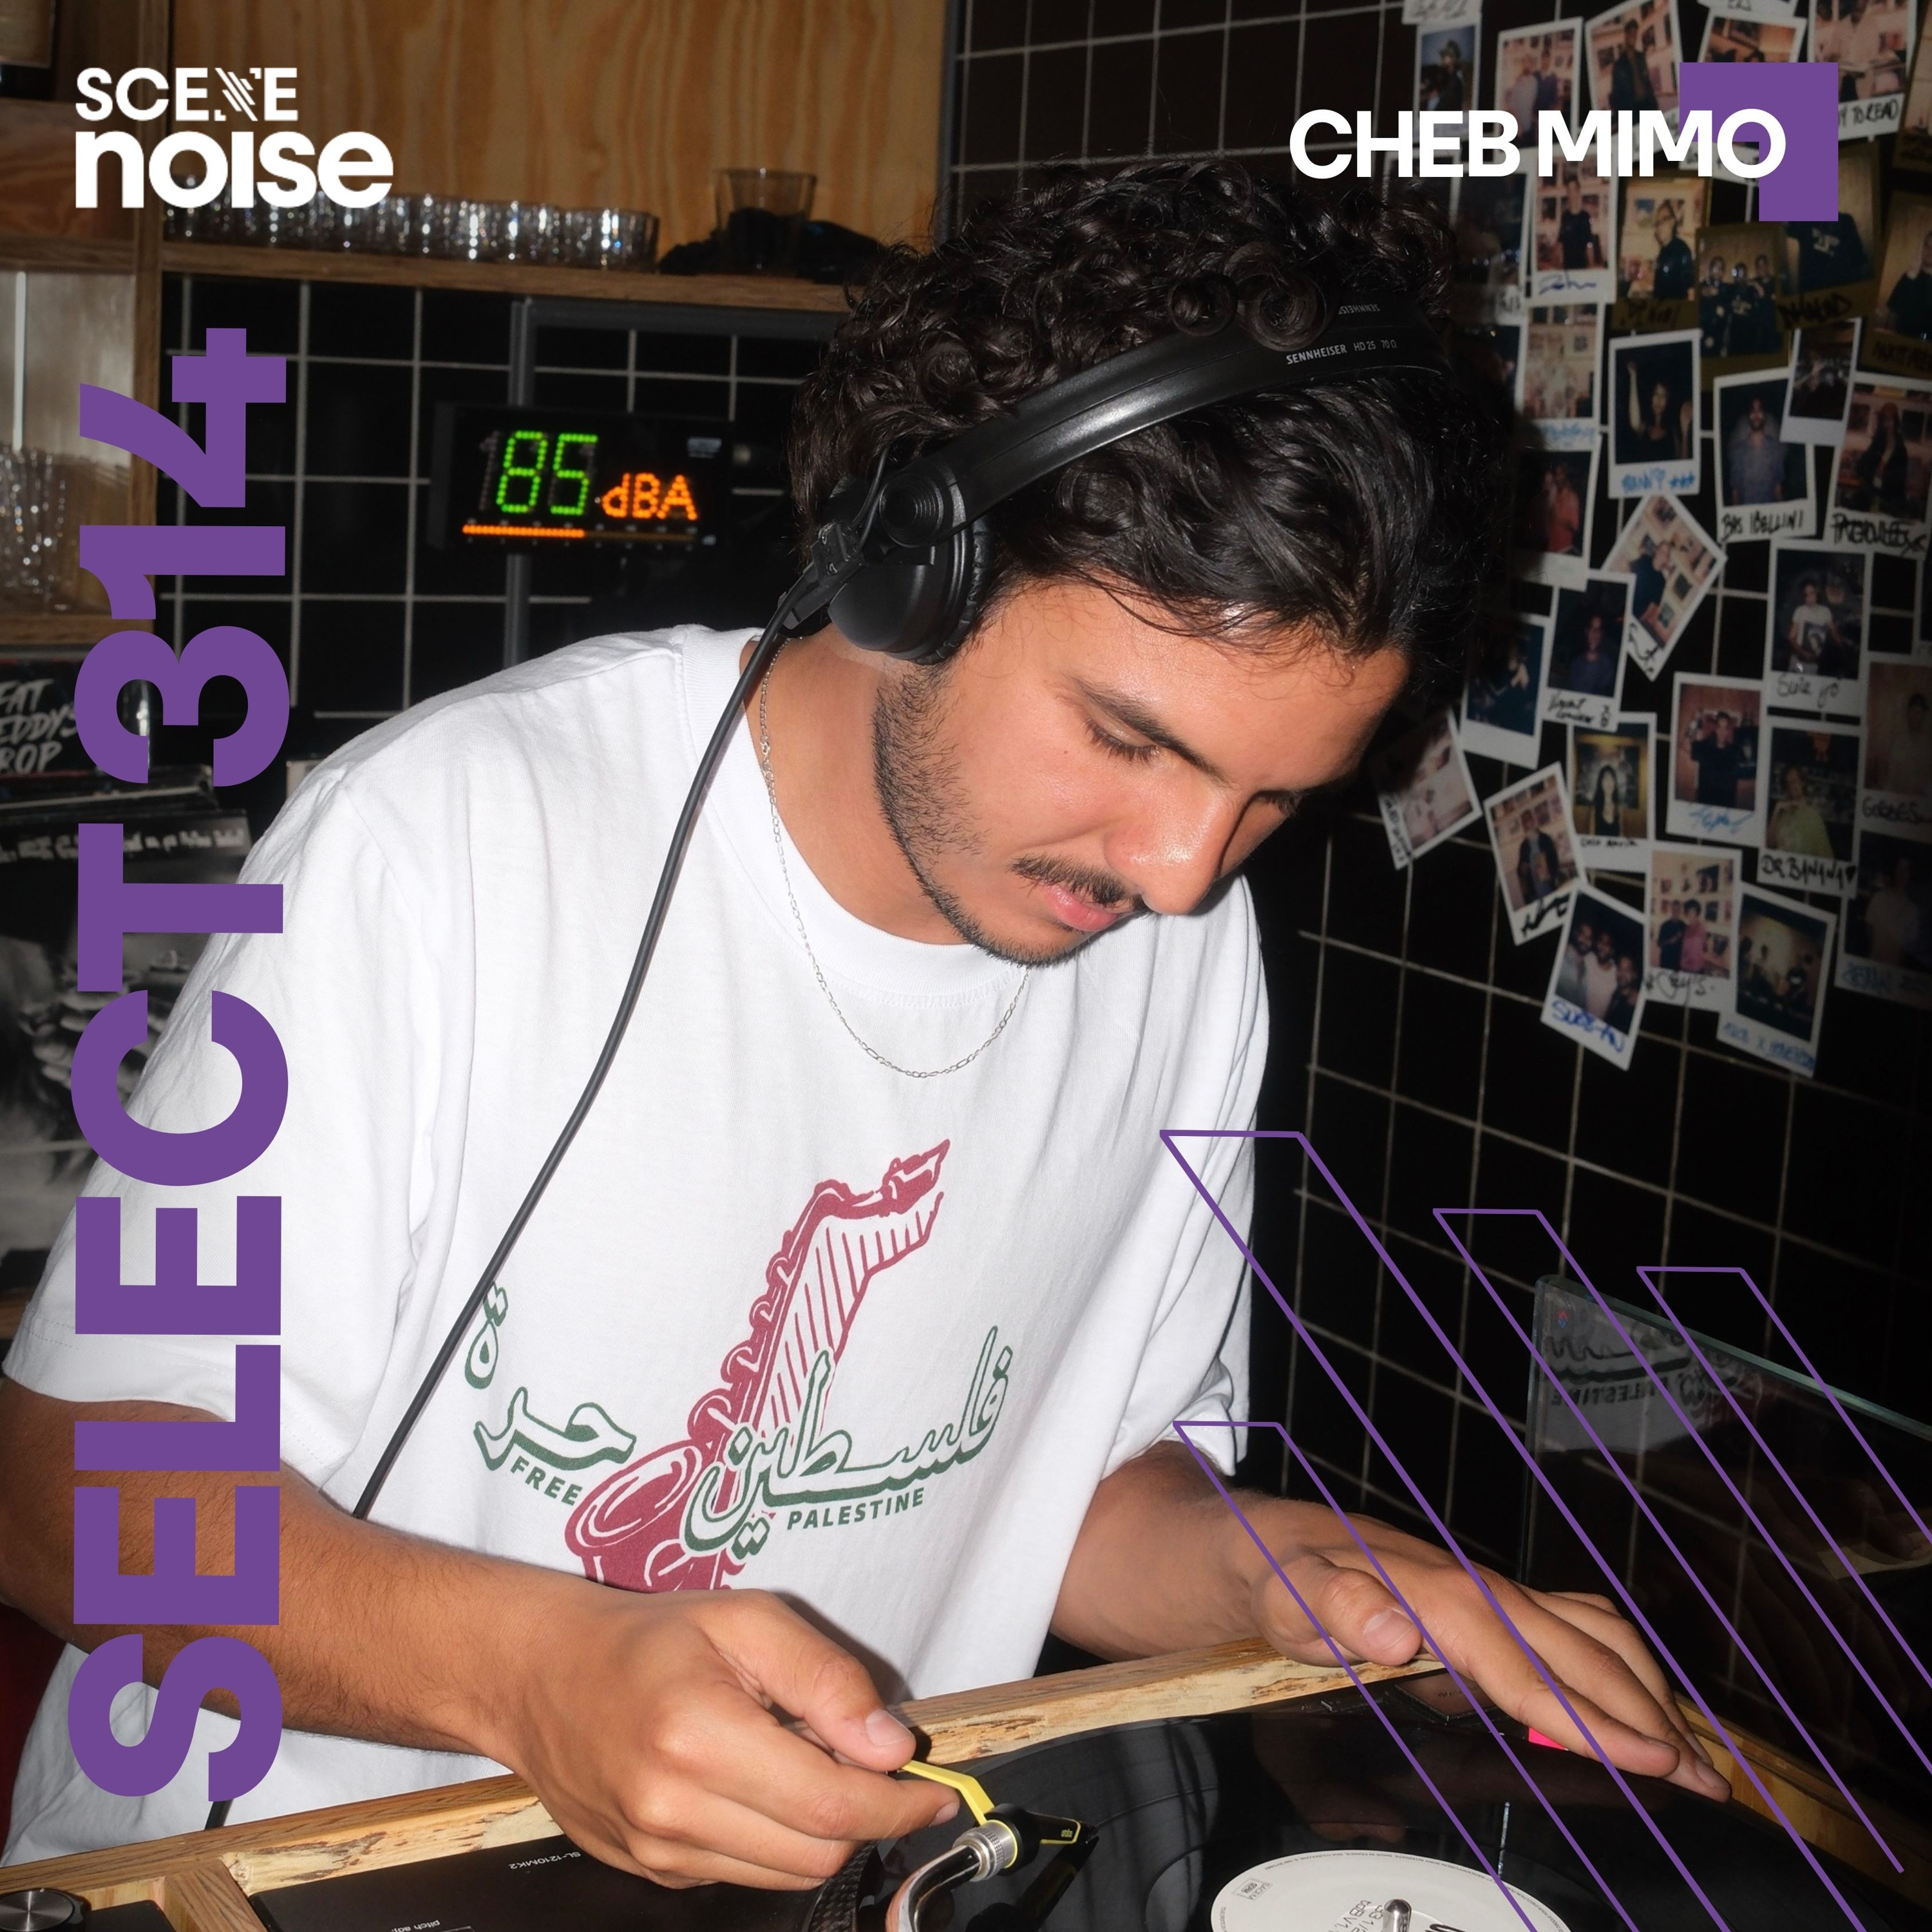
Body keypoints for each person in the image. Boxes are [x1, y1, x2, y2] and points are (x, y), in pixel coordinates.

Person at [0, 164, 1724, 1871]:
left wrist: (1298, 1574)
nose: (1184, 868)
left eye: (1271, 798)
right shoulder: (436, 845)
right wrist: (533, 1678)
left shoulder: (1184, 945)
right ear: (915, 565)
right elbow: (62, 1507)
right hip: (280, 1884)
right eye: (1130, 741)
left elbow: (1069, 1488)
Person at [1727, 391, 1789, 506]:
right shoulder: (1738, 451)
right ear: (1748, 416)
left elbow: (1778, 487)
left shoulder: (1775, 448)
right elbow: (1735, 491)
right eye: (1753, 410)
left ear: (1765, 415)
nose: (1756, 414)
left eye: (1760, 410)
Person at [1625, 359, 1693, 463]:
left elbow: (1683, 463)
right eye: (1656, 394)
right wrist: (1633, 377)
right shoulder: (1644, 428)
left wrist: (1685, 430)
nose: (1659, 399)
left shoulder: (1673, 432)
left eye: (1664, 395)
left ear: (1669, 400)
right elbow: (1634, 422)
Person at [1851, 399, 1910, 515]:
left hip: (1889, 500)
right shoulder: (1877, 442)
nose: (1888, 424)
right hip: (1869, 495)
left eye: (1891, 419)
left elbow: (1900, 478)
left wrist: (1881, 475)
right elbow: (1861, 466)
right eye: (1885, 419)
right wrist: (1866, 480)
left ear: (1896, 422)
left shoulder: (1900, 449)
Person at [1864, 852, 1922, 964]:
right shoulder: (1879, 898)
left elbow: (1910, 944)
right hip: (1873, 964)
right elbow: (1869, 930)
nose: (1903, 874)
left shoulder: (1912, 910)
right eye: (1900, 868)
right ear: (1894, 871)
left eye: (1906, 870)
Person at [1768, 760, 1835, 856]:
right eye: (1788, 783)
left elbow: (1826, 856)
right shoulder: (1781, 814)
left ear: (1802, 782)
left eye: (1794, 781)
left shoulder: (1814, 817)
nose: (1791, 786)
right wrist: (1776, 811)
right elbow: (1769, 845)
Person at [1687, 707, 1748, 808]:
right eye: (1720, 728)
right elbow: (1689, 739)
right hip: (1706, 801)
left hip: (1727, 801)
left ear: (1728, 731)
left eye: (1725, 729)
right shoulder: (1705, 747)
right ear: (1715, 729)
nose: (1722, 732)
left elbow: (1746, 766)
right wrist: (1695, 720)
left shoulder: (1735, 751)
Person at [1783, 576, 1839, 672]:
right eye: (1806, 595)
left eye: (1812, 593)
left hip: (1814, 665)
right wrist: (1803, 652)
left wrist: (1842, 646)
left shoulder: (1825, 612)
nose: (1809, 598)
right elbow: (1791, 637)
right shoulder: (1800, 611)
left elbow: (1835, 633)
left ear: (1817, 593)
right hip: (1798, 662)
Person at [1560, 610, 1619, 695]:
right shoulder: (1576, 663)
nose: (1595, 633)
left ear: (1602, 635)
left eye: (1598, 630)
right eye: (1592, 628)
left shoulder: (1608, 667)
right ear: (1587, 632)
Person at [1609, 17, 1660, 113]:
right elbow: (1615, 94)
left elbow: (1647, 81)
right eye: (1630, 33)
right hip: (1632, 110)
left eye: (1635, 33)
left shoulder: (1641, 57)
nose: (1633, 36)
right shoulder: (1619, 65)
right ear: (1626, 36)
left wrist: (1654, 103)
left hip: (1648, 105)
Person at [1557, 171, 1603, 270]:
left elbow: (1589, 244)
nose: (1572, 194)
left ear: (1578, 192)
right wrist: (1560, 264)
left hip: (1582, 268)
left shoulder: (1585, 217)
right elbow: (1560, 243)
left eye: (1574, 190)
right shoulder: (1565, 217)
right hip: (1567, 268)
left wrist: (1591, 266)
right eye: (1569, 190)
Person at [1649, 202, 1694, 300]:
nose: (1659, 226)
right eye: (1657, 223)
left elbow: (1691, 288)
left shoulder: (1681, 249)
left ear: (1673, 222)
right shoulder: (1662, 253)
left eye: (1664, 219)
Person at [1628, 534, 1668, 642]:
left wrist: (1639, 621)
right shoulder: (1645, 560)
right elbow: (1629, 571)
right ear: (1657, 550)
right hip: (1624, 601)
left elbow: (1653, 606)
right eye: (1662, 551)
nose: (1663, 555)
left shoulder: (1661, 581)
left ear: (1666, 559)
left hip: (1636, 614)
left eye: (1666, 554)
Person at [1582, 924, 1620, 1019]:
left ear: (1612, 949)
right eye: (1601, 941)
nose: (1603, 946)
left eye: (1607, 943)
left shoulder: (1617, 973)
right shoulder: (1588, 958)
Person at [1557, 916, 1596, 1005]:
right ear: (1575, 934)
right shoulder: (1563, 954)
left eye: (1589, 938)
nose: (1585, 940)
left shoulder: (1585, 969)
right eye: (1583, 935)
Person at [1605, 953, 1642, 1034]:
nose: (1622, 973)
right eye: (1620, 968)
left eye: (1627, 970)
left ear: (1634, 975)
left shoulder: (1634, 1004)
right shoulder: (1615, 994)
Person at [1591, 758, 1624, 837]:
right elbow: (1591, 836)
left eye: (1612, 779)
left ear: (1615, 783)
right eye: (1606, 779)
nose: (1609, 783)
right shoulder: (1594, 808)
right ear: (1601, 783)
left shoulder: (1619, 808)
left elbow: (1621, 835)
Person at [1656, 897, 1687, 970]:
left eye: (1678, 910)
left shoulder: (1684, 926)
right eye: (1674, 910)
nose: (1676, 912)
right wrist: (1670, 941)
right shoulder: (1665, 925)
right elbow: (1659, 943)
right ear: (1671, 910)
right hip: (1666, 961)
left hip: (1679, 962)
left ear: (1680, 911)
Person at [1679, 900, 1709, 974]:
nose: (1691, 915)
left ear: (1697, 913)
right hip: (1684, 966)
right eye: (1688, 912)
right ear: (1686, 913)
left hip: (1696, 968)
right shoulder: (1686, 929)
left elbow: (1705, 947)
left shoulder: (1701, 928)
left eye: (1693, 912)